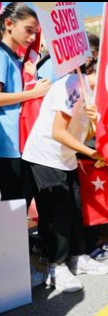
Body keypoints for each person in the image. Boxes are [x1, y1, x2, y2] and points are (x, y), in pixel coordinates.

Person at [22, 33, 108, 293]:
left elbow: (85, 133)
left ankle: (77, 257)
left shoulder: (92, 91)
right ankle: (56, 267)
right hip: (45, 157)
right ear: (91, 63)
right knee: (57, 215)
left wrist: (94, 121)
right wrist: (92, 153)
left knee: (74, 209)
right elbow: (58, 131)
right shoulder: (71, 85)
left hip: (66, 158)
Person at [0, 2, 51, 201]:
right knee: (12, 200)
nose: (31, 38)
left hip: (16, 143)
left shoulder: (16, 59)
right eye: (28, 30)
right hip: (5, 144)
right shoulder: (2, 55)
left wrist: (34, 78)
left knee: (15, 200)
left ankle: (11, 233)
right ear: (9, 23)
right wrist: (33, 93)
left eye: (35, 32)